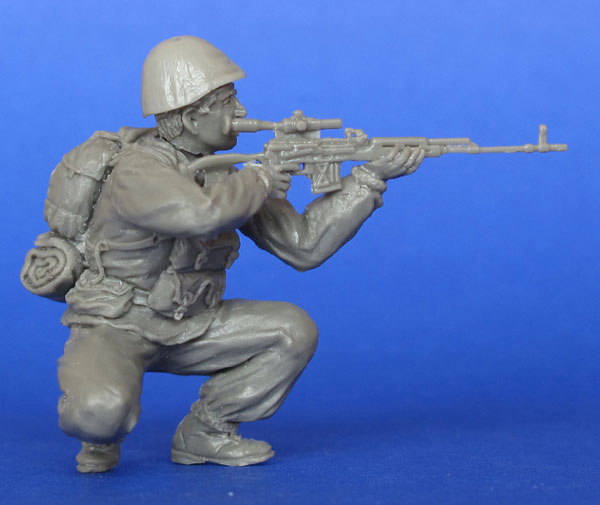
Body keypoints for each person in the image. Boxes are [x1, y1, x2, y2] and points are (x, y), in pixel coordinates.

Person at [54, 36, 424, 473]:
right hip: (118, 325)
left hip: (193, 322)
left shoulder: (228, 175)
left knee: (292, 331)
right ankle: (100, 435)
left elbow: (304, 246)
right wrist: (261, 180)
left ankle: (206, 431)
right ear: (191, 116)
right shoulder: (138, 170)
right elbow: (198, 215)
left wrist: (367, 180)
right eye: (228, 102)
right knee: (99, 414)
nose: (241, 111)